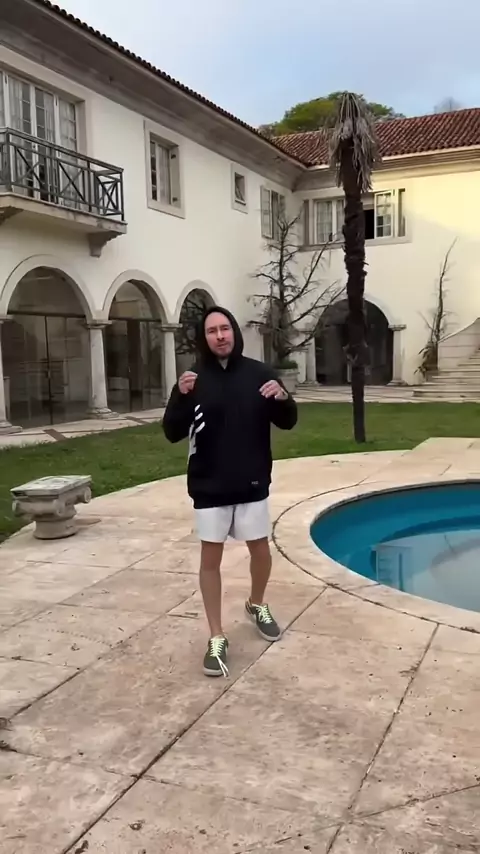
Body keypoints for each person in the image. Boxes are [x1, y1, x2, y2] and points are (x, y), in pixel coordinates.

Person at [162, 306, 298, 677]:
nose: (220, 336)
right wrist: (180, 396)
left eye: (225, 328)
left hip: (251, 481)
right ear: (203, 338)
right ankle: (216, 635)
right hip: (209, 485)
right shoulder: (193, 380)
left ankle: (257, 603)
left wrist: (283, 398)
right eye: (212, 331)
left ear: (234, 332)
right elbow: (172, 432)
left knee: (260, 550)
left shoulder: (259, 374)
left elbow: (287, 422)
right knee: (210, 560)